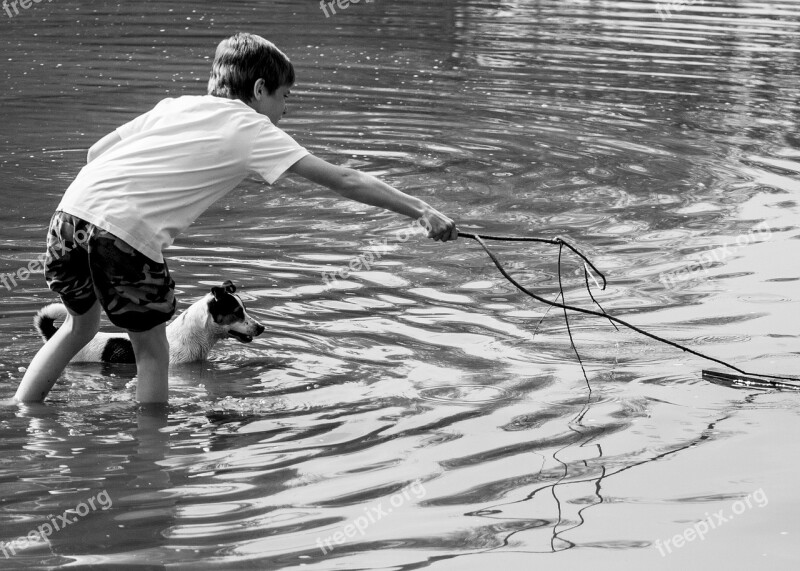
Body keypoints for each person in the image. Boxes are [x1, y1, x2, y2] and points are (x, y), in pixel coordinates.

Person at [14, 32, 457, 404]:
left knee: (78, 326)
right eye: (284, 97)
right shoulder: (253, 127)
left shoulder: (174, 106)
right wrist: (422, 210)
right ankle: (150, 469)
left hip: (68, 218)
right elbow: (344, 179)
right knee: (152, 353)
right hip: (125, 238)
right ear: (260, 89)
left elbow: (94, 154)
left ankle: (23, 410)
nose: (285, 110)